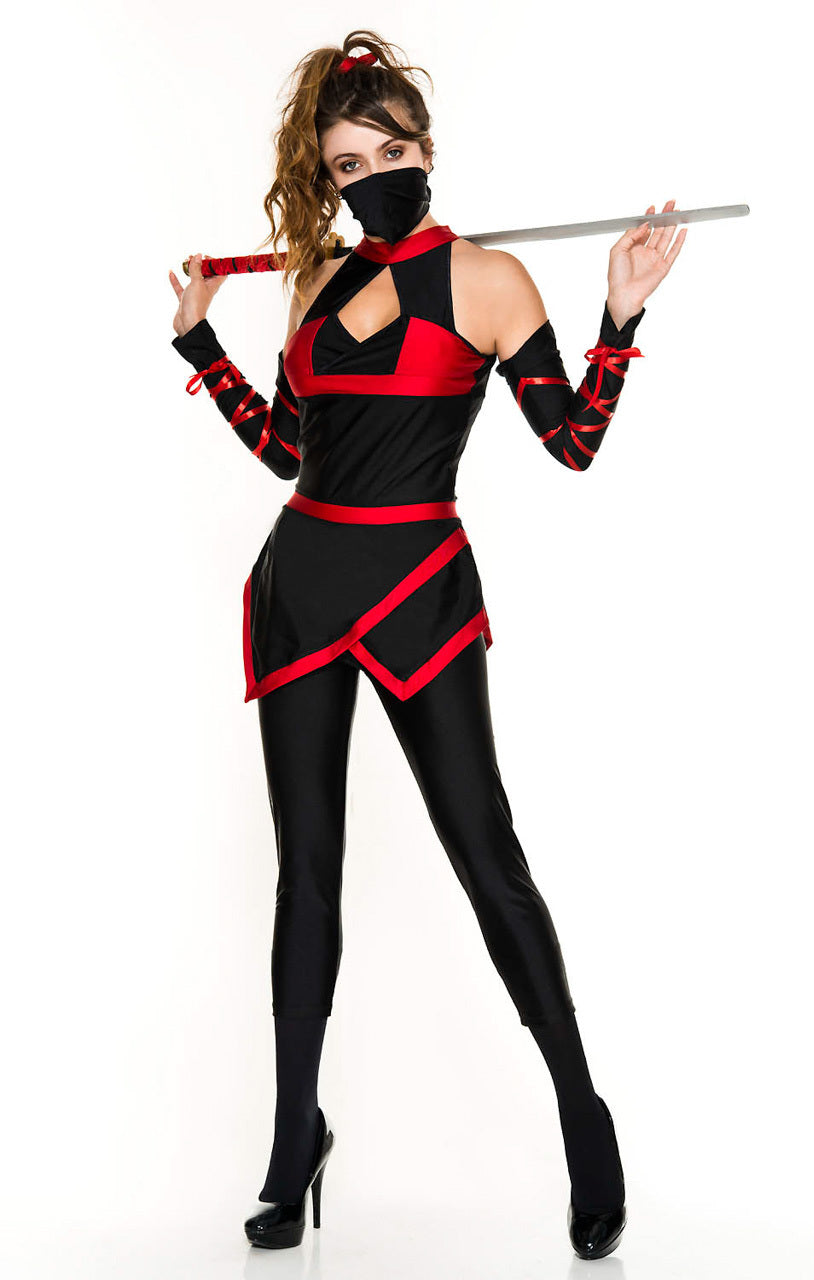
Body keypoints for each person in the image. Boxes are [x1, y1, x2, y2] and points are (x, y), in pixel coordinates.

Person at [168, 28, 685, 1260]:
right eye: (346, 165)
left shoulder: (491, 280)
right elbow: (290, 453)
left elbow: (572, 442)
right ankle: (294, 1137)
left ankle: (583, 1112)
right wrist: (200, 343)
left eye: (387, 152)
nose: (370, 177)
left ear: (425, 148)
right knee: (305, 873)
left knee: (486, 855)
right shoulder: (309, 281)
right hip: (302, 585)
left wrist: (616, 316)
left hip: (416, 589)